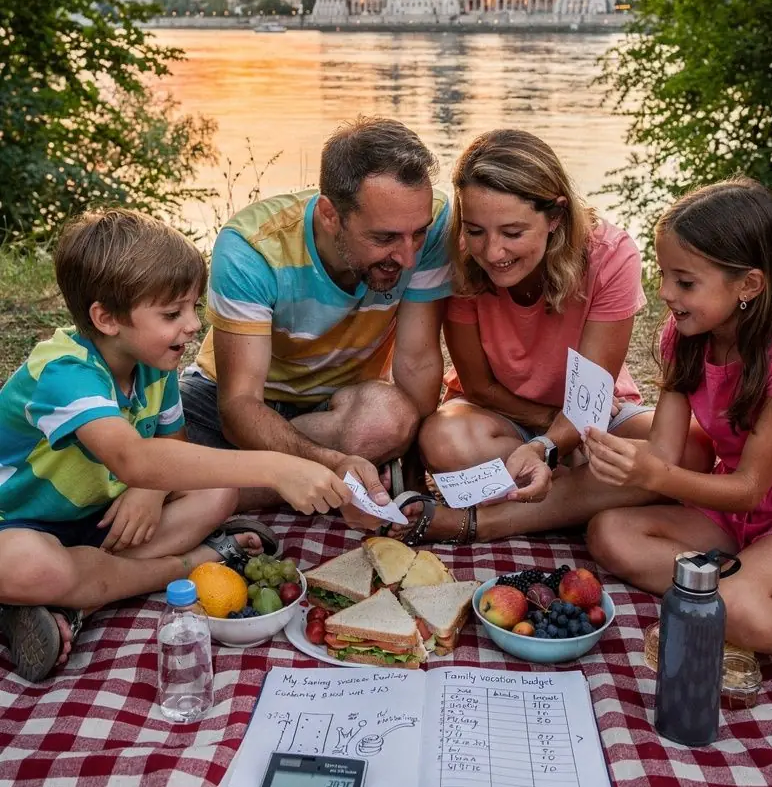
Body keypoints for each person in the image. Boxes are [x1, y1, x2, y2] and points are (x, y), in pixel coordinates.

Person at [0, 210, 353, 682]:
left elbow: (173, 450)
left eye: (193, 306)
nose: (193, 325)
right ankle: (188, 563)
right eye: (172, 314)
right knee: (28, 568)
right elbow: (133, 459)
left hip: (98, 522)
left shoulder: (153, 363)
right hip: (17, 526)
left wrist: (149, 491)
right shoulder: (64, 373)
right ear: (106, 318)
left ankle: (74, 598)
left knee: (219, 493)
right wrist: (276, 467)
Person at [380, 128, 708, 546]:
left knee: (693, 448)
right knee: (443, 441)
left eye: (513, 233)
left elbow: (588, 404)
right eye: (476, 230)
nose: (493, 252)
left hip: (592, 415)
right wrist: (555, 436)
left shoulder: (610, 254)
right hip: (498, 412)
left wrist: (553, 443)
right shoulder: (460, 256)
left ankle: (490, 518)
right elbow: (479, 386)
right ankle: (583, 494)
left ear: (555, 216)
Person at [585, 179, 772, 659]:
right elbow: (664, 452)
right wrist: (601, 447)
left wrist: (654, 474)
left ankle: (751, 589)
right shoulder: (685, 336)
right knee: (610, 533)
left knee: (732, 606)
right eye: (664, 274)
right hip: (732, 512)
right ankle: (753, 580)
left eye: (685, 282)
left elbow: (750, 487)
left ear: (749, 284)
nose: (665, 293)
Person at [180, 117, 452, 512]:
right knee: (145, 467)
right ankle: (305, 482)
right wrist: (332, 462)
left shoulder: (433, 218)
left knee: (388, 419)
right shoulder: (252, 247)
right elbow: (239, 405)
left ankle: (226, 489)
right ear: (329, 214)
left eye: (418, 233)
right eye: (384, 238)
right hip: (233, 404)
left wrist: (414, 484)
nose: (409, 257)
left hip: (337, 409)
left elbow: (418, 359)